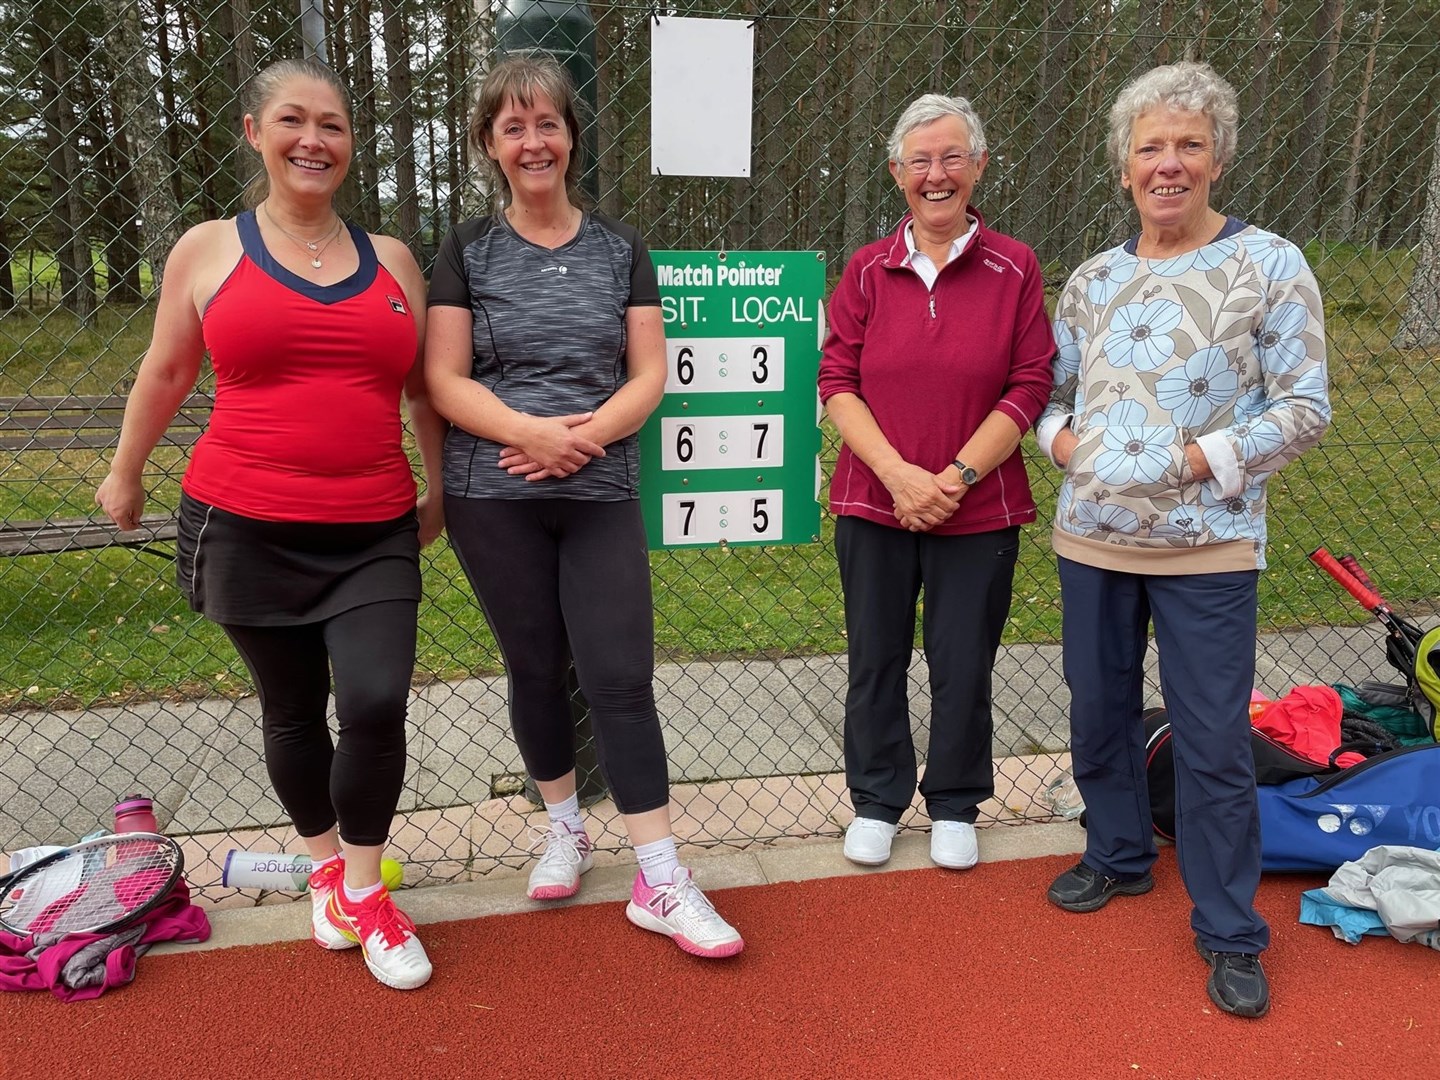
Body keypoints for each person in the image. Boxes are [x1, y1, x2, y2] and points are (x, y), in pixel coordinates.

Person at [95, 58, 445, 991]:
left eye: (331, 125)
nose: (312, 140)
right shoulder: (208, 249)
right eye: (292, 121)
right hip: (242, 523)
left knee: (374, 701)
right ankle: (328, 868)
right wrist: (125, 470)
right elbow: (166, 372)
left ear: (349, 145)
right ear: (255, 132)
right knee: (291, 713)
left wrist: (439, 486)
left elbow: (423, 394)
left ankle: (365, 893)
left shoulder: (397, 262)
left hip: (373, 525)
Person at [423, 55, 742, 958]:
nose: (534, 142)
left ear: (571, 137)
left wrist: (582, 437)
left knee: (618, 677)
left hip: (598, 489)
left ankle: (661, 876)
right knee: (533, 668)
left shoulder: (620, 248)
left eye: (549, 124)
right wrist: (529, 431)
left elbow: (651, 373)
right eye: (514, 127)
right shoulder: (466, 252)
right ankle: (563, 824)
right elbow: (443, 378)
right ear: (491, 144)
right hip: (496, 495)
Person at [1036, 61, 1331, 1018]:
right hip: (1093, 540)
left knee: (1210, 739)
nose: (1168, 165)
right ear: (1123, 168)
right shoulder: (1092, 280)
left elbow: (1304, 408)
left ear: (1218, 160)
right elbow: (1051, 398)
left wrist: (1199, 459)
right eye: (1149, 148)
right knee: (1098, 711)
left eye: (1187, 146)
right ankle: (1118, 854)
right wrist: (1069, 448)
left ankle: (1230, 929)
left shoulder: (1271, 265)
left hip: (1209, 548)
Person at [817, 95, 1055, 871]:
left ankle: (955, 800)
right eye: (919, 160)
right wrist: (895, 475)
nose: (936, 174)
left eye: (953, 157)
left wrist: (951, 478)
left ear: (979, 166)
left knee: (963, 661)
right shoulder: (866, 269)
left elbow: (1029, 384)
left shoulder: (1014, 266)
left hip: (978, 507)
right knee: (875, 657)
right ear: (897, 174)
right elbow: (837, 378)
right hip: (873, 502)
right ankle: (877, 799)